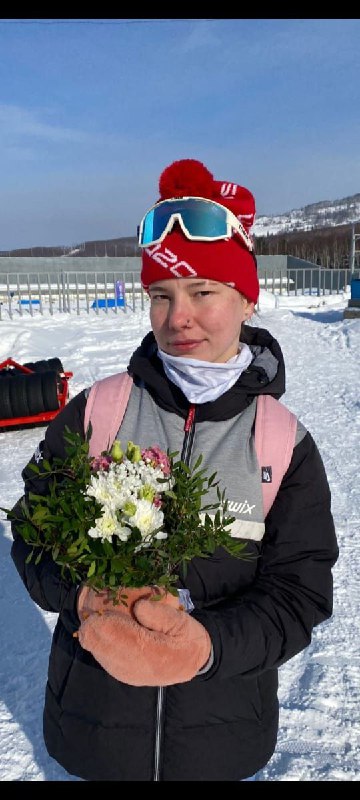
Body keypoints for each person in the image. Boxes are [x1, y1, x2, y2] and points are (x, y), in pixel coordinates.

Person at [10, 158, 339, 782]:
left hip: (220, 745)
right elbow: (33, 531)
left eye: (202, 293)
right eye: (161, 295)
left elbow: (300, 592)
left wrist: (206, 648)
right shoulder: (98, 412)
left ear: (246, 299)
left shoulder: (282, 442)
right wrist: (80, 595)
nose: (177, 316)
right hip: (94, 733)